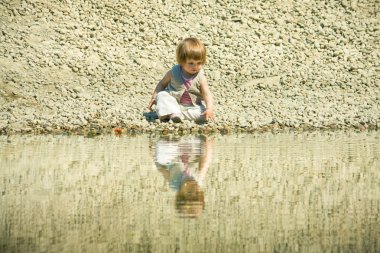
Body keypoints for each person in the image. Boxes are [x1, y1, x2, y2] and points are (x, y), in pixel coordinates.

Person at [148, 38, 215, 123]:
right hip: (174, 103)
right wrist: (154, 97)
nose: (195, 66)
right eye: (191, 63)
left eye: (199, 63)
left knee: (202, 115)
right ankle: (172, 113)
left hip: (192, 107)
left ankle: (174, 115)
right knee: (162, 95)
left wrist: (209, 109)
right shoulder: (174, 72)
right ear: (182, 61)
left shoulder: (200, 76)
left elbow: (206, 93)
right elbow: (162, 84)